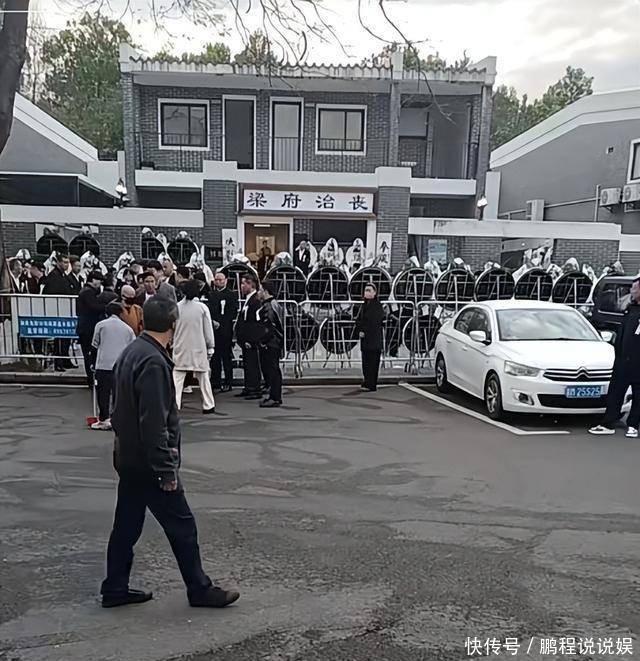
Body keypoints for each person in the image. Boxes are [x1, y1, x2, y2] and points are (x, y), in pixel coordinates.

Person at [101, 296, 239, 609]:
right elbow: (154, 422)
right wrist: (165, 469)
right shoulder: (153, 361)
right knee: (182, 525)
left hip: (129, 456)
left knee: (126, 526)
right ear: (173, 325)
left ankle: (114, 587)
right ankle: (199, 589)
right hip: (149, 462)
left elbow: (119, 410)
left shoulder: (133, 352)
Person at [589, 276, 640, 437]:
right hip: (623, 360)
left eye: (634, 288)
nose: (631, 291)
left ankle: (633, 425)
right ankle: (609, 422)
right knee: (616, 392)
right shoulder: (630, 309)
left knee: (638, 394)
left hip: (637, 361)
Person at [172, 280, 216, 414]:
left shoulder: (177, 307)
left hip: (180, 346)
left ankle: (174, 404)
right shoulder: (202, 308)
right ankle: (208, 404)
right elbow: (208, 329)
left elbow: (173, 327)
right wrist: (210, 346)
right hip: (198, 346)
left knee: (177, 377)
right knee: (203, 377)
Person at [91, 301, 135, 431]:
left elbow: (94, 345)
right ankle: (117, 418)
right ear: (121, 313)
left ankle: (104, 418)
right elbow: (132, 348)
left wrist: (92, 363)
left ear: (106, 313)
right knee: (118, 393)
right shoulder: (128, 329)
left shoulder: (101, 325)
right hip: (120, 366)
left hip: (103, 364)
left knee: (103, 393)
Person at [42, 255, 74, 371]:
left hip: (65, 310)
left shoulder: (63, 275)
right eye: (64, 262)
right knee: (59, 339)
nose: (66, 265)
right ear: (58, 263)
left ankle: (65, 360)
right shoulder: (54, 276)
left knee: (66, 338)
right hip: (57, 310)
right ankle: (58, 362)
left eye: (67, 263)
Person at [208, 272, 238, 393]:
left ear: (225, 280)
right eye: (216, 280)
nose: (218, 282)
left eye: (221, 280)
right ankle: (215, 381)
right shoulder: (211, 294)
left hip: (226, 329)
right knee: (215, 357)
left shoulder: (231, 294)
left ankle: (228, 381)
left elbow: (232, 312)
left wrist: (222, 323)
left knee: (226, 357)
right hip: (214, 329)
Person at [234, 274, 263, 400]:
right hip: (245, 339)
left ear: (251, 284)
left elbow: (254, 323)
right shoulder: (248, 299)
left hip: (250, 340)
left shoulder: (255, 301)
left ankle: (255, 388)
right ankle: (248, 387)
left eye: (243, 283)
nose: (241, 286)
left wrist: (251, 339)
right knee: (247, 364)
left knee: (253, 365)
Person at [76, 271, 106, 387]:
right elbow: (94, 307)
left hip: (86, 327)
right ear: (93, 280)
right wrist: (106, 307)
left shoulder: (86, 291)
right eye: (99, 281)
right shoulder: (88, 292)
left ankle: (91, 378)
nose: (100, 284)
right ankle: (91, 379)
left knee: (89, 354)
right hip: (88, 328)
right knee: (89, 354)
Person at [258, 281, 284, 408]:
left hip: (272, 342)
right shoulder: (273, 304)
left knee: (273, 370)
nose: (259, 293)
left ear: (266, 291)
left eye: (260, 290)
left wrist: (263, 340)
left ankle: (275, 397)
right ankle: (273, 396)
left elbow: (269, 326)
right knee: (273, 370)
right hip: (274, 341)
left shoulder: (269, 306)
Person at [355, 283, 385, 392]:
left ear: (374, 293)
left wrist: (364, 330)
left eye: (369, 290)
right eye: (365, 290)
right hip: (365, 339)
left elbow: (374, 321)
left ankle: (372, 384)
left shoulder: (377, 306)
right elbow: (360, 319)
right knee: (366, 362)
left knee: (373, 362)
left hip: (373, 338)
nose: (366, 293)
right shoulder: (364, 305)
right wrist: (360, 329)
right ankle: (367, 381)